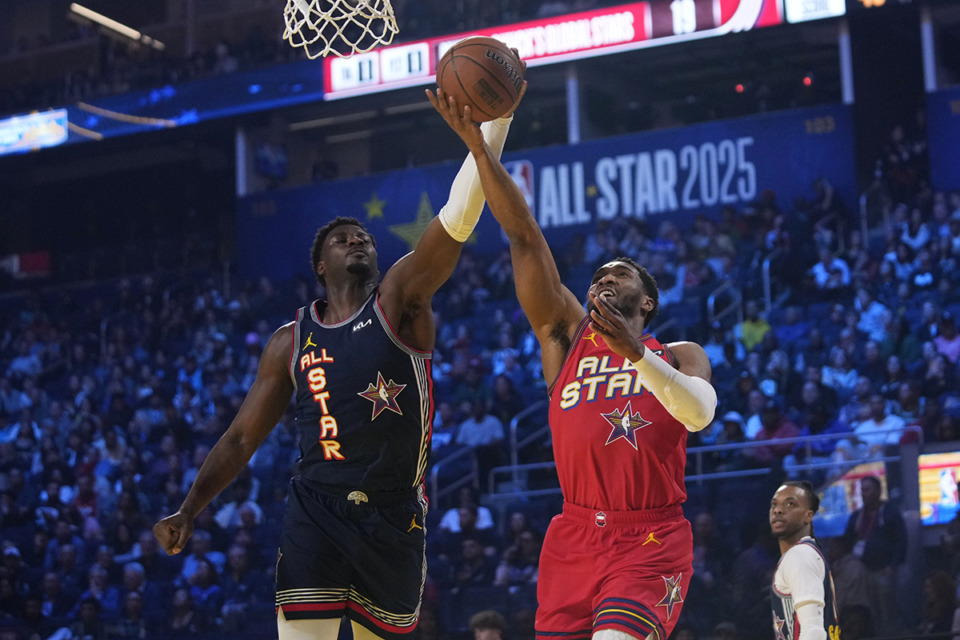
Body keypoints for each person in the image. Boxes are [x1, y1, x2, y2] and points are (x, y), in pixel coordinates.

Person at [153, 75, 526, 640]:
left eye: (365, 238)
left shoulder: (400, 301)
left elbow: (455, 219)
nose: (359, 241)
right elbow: (239, 440)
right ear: (319, 266)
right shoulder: (290, 338)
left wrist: (490, 132)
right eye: (343, 238)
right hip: (316, 510)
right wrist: (189, 508)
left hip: (393, 513)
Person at [429, 86, 716, 639]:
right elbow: (522, 235)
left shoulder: (679, 354)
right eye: (598, 276)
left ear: (647, 301)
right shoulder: (566, 336)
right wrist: (480, 144)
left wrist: (635, 355)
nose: (605, 278)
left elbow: (699, 414)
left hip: (650, 539)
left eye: (621, 274)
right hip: (574, 535)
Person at [769, 481, 841, 640]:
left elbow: (813, 631)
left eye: (790, 504)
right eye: (774, 504)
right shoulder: (807, 553)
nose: (778, 510)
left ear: (808, 515)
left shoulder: (801, 555)